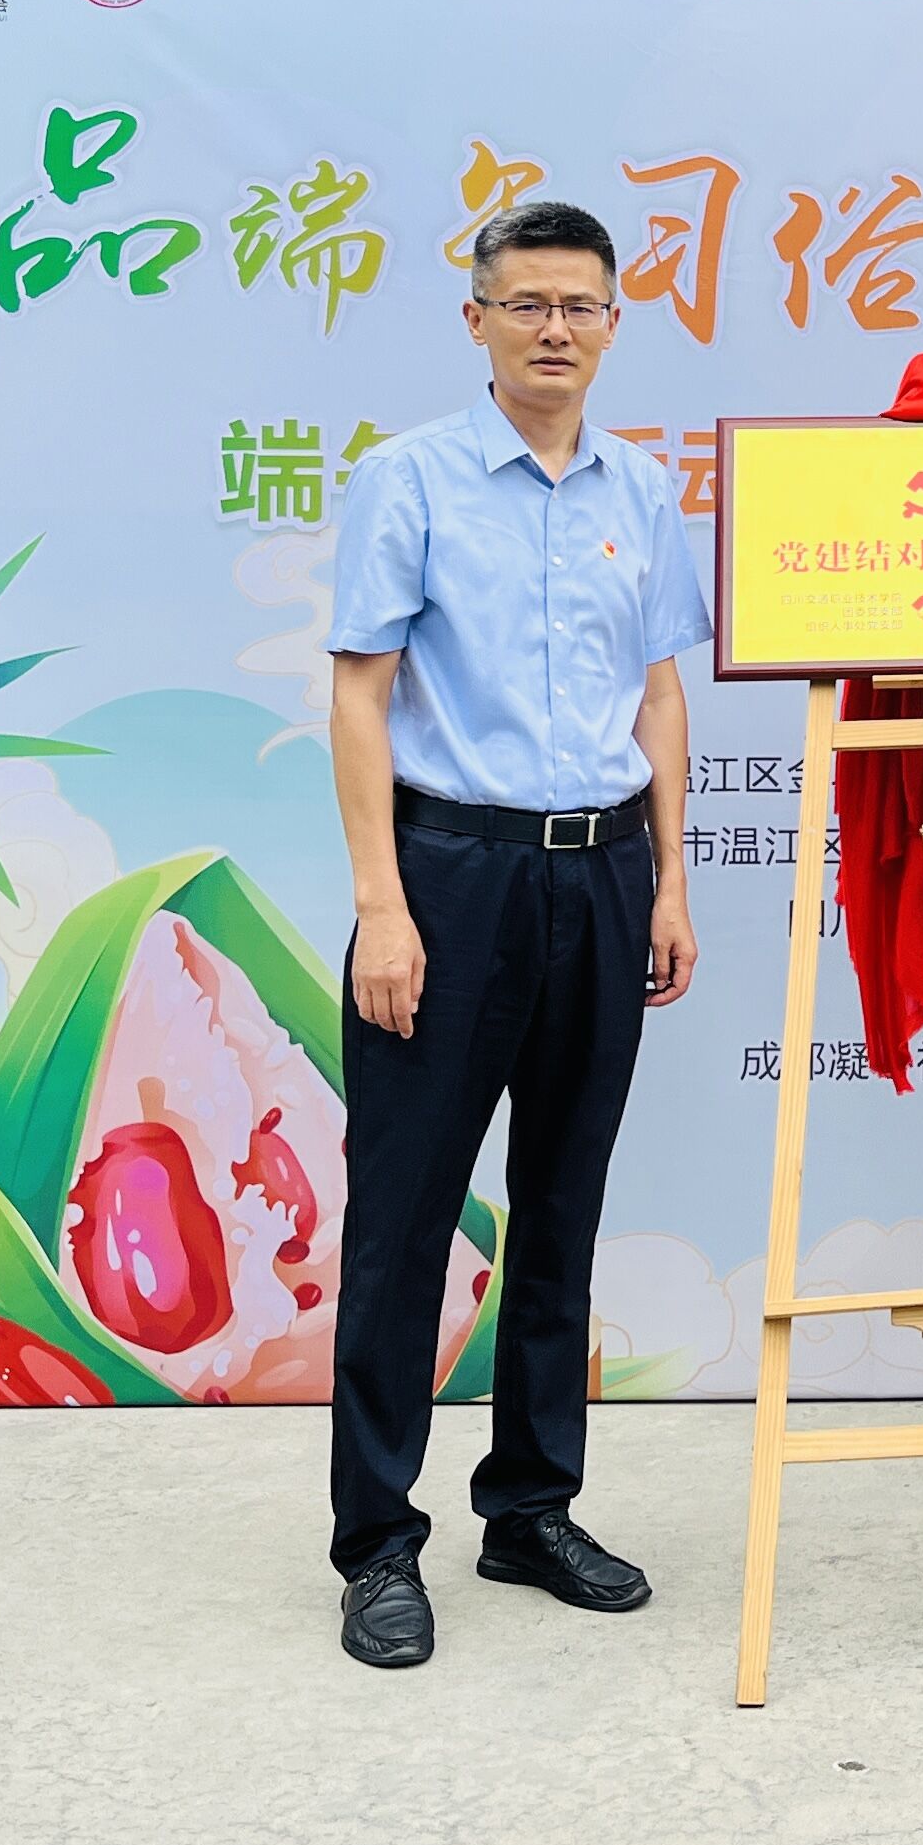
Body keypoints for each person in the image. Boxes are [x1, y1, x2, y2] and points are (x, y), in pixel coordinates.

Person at [322, 199, 707, 1673]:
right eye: (527, 303)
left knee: (561, 1210)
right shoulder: (409, 478)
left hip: (602, 875)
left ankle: (532, 1509)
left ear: (613, 324)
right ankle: (376, 1543)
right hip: (451, 877)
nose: (556, 328)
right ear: (475, 318)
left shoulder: (641, 489)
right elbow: (360, 695)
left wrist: (668, 884)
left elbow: (657, 693)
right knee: (404, 1218)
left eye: (580, 306)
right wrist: (382, 904)